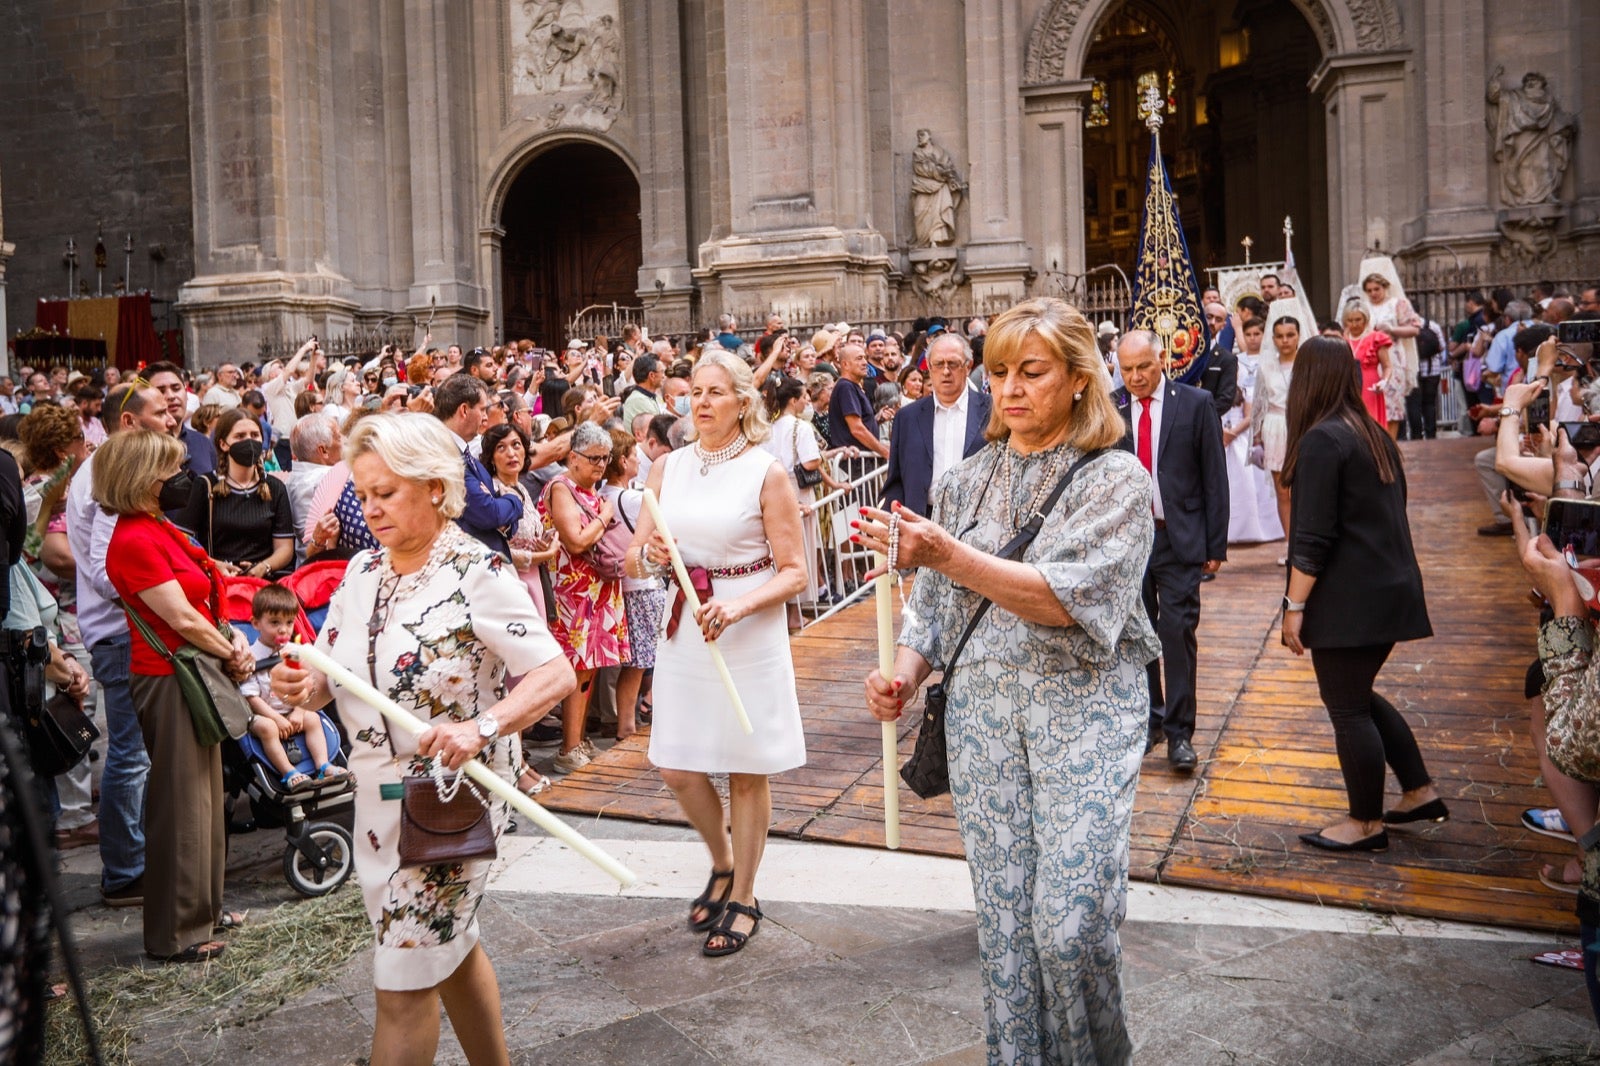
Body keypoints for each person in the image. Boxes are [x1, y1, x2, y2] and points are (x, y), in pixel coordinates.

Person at [859, 297, 1158, 1064]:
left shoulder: (1117, 481)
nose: (1012, 389)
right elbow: (932, 614)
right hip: (984, 721)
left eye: (1032, 372)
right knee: (1005, 929)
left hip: (1085, 715)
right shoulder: (963, 484)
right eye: (1000, 373)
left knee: (1069, 927)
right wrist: (900, 674)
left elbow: (1063, 600)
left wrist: (945, 554)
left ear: (1080, 380)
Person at [268, 412, 576, 1065]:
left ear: (436, 487)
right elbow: (331, 672)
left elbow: (555, 674)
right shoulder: (358, 573)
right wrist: (304, 689)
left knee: (403, 983)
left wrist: (480, 726)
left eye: (387, 492)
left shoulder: (477, 572)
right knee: (450, 949)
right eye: (364, 492)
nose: (371, 508)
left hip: (448, 803)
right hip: (375, 802)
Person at [625, 349, 808, 957]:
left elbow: (796, 573)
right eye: (694, 393)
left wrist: (738, 606)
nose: (701, 403)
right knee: (677, 765)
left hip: (745, 623)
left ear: (741, 402)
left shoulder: (766, 472)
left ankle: (747, 894)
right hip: (686, 623)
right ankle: (723, 861)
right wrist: (650, 557)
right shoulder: (667, 468)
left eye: (715, 393)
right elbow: (637, 557)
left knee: (745, 766)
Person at [97, 429, 255, 962]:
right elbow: (180, 617)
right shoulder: (134, 539)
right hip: (168, 676)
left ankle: (202, 912)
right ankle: (176, 932)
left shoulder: (156, 525)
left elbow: (202, 597)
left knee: (204, 799)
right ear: (143, 479)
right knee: (181, 804)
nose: (182, 480)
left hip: (189, 667)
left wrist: (230, 637)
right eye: (171, 471)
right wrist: (231, 651)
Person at [1279, 338, 1440, 852]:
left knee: (1347, 707)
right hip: (1388, 586)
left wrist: (1293, 607)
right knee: (1356, 696)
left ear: (1304, 382)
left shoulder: (1324, 440)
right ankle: (1418, 790)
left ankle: (1366, 822)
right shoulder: (1370, 432)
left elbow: (1312, 537)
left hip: (1353, 596)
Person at [66, 380, 176, 907]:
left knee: (137, 754)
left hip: (123, 628)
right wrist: (164, 581)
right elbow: (108, 570)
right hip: (119, 631)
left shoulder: (106, 469)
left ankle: (134, 859)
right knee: (131, 755)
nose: (170, 415)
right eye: (158, 410)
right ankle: (125, 870)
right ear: (129, 421)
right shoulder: (105, 476)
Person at [1115, 331, 1229, 772]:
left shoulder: (1195, 404)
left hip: (1179, 537)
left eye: (1143, 366)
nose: (1136, 377)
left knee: (1177, 634)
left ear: (1162, 360)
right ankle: (1152, 720)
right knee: (1138, 635)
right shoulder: (1112, 405)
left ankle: (1181, 733)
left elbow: (1213, 476)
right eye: (1126, 369)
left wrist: (1214, 542)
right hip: (1129, 543)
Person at [540, 421, 630, 773]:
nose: (600, 465)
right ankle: (569, 745)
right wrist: (604, 516)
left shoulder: (593, 490)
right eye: (593, 458)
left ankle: (576, 739)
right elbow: (576, 540)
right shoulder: (561, 487)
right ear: (573, 457)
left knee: (589, 665)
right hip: (572, 590)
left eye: (606, 459)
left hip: (596, 588)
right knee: (577, 666)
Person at [238, 584, 347, 790]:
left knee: (313, 718)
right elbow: (251, 698)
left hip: (291, 711)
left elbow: (305, 686)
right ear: (255, 623)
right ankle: (289, 772)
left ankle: (323, 765)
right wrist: (276, 718)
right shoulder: (252, 657)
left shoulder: (293, 652)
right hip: (264, 714)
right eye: (274, 622)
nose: (283, 629)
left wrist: (299, 711)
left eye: (289, 623)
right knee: (267, 727)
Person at [882, 332, 993, 519]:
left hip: (979, 521)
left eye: (953, 364)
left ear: (968, 366)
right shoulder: (907, 418)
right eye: (939, 364)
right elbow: (896, 480)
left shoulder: (993, 411)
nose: (946, 371)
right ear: (930, 368)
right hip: (923, 519)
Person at [178, 408, 295, 578]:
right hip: (217, 580)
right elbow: (182, 539)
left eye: (254, 435)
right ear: (223, 444)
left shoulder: (275, 487)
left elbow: (285, 547)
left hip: (262, 584)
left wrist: (264, 567)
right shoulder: (205, 485)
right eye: (240, 436)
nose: (249, 441)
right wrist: (213, 564)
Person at [598, 427, 658, 742]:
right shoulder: (634, 499)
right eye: (634, 455)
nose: (639, 460)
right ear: (623, 461)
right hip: (643, 582)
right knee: (642, 662)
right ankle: (631, 723)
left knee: (635, 663)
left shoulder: (600, 496)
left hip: (620, 585)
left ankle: (627, 725)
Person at [435, 373, 522, 560]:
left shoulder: (467, 455)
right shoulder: (445, 456)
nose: (485, 418)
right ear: (464, 410)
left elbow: (499, 514)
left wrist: (502, 512)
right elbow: (489, 514)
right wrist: (514, 499)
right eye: (482, 410)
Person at [1253, 312, 1302, 554]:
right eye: (1280, 336)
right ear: (1273, 338)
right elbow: (1259, 403)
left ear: (1298, 336)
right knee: (1283, 490)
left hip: (1302, 426)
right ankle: (1290, 545)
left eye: (1290, 335)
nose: (1285, 340)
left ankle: (1307, 545)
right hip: (1274, 426)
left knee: (1304, 487)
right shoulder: (1266, 367)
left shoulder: (1307, 363)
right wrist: (1256, 437)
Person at [827, 342, 889, 468]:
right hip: (854, 464)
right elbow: (857, 429)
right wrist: (885, 451)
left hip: (861, 462)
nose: (865, 362)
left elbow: (862, 423)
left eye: (865, 358)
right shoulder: (846, 387)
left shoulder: (853, 387)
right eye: (859, 358)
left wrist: (876, 419)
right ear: (845, 364)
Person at [1342, 302, 1393, 430]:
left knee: (1371, 424)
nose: (1354, 324)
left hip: (1370, 386)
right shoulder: (1341, 340)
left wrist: (1384, 381)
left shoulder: (1375, 338)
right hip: (1347, 386)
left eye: (1358, 319)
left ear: (1365, 319)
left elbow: (1387, 366)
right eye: (1350, 320)